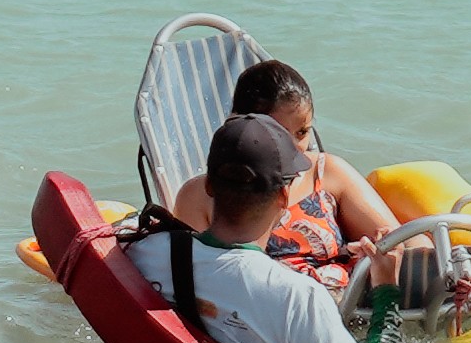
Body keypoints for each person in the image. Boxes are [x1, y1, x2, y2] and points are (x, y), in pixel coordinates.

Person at [127, 115, 358, 343]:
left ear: (208, 186)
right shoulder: (300, 299)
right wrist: (385, 293)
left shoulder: (144, 254)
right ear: (284, 196)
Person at [167, 58, 399, 272]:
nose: (294, 147)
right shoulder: (202, 195)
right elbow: (200, 280)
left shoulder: (327, 172)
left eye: (302, 132)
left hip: (351, 303)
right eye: (279, 134)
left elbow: (407, 242)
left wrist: (369, 249)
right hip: (275, 307)